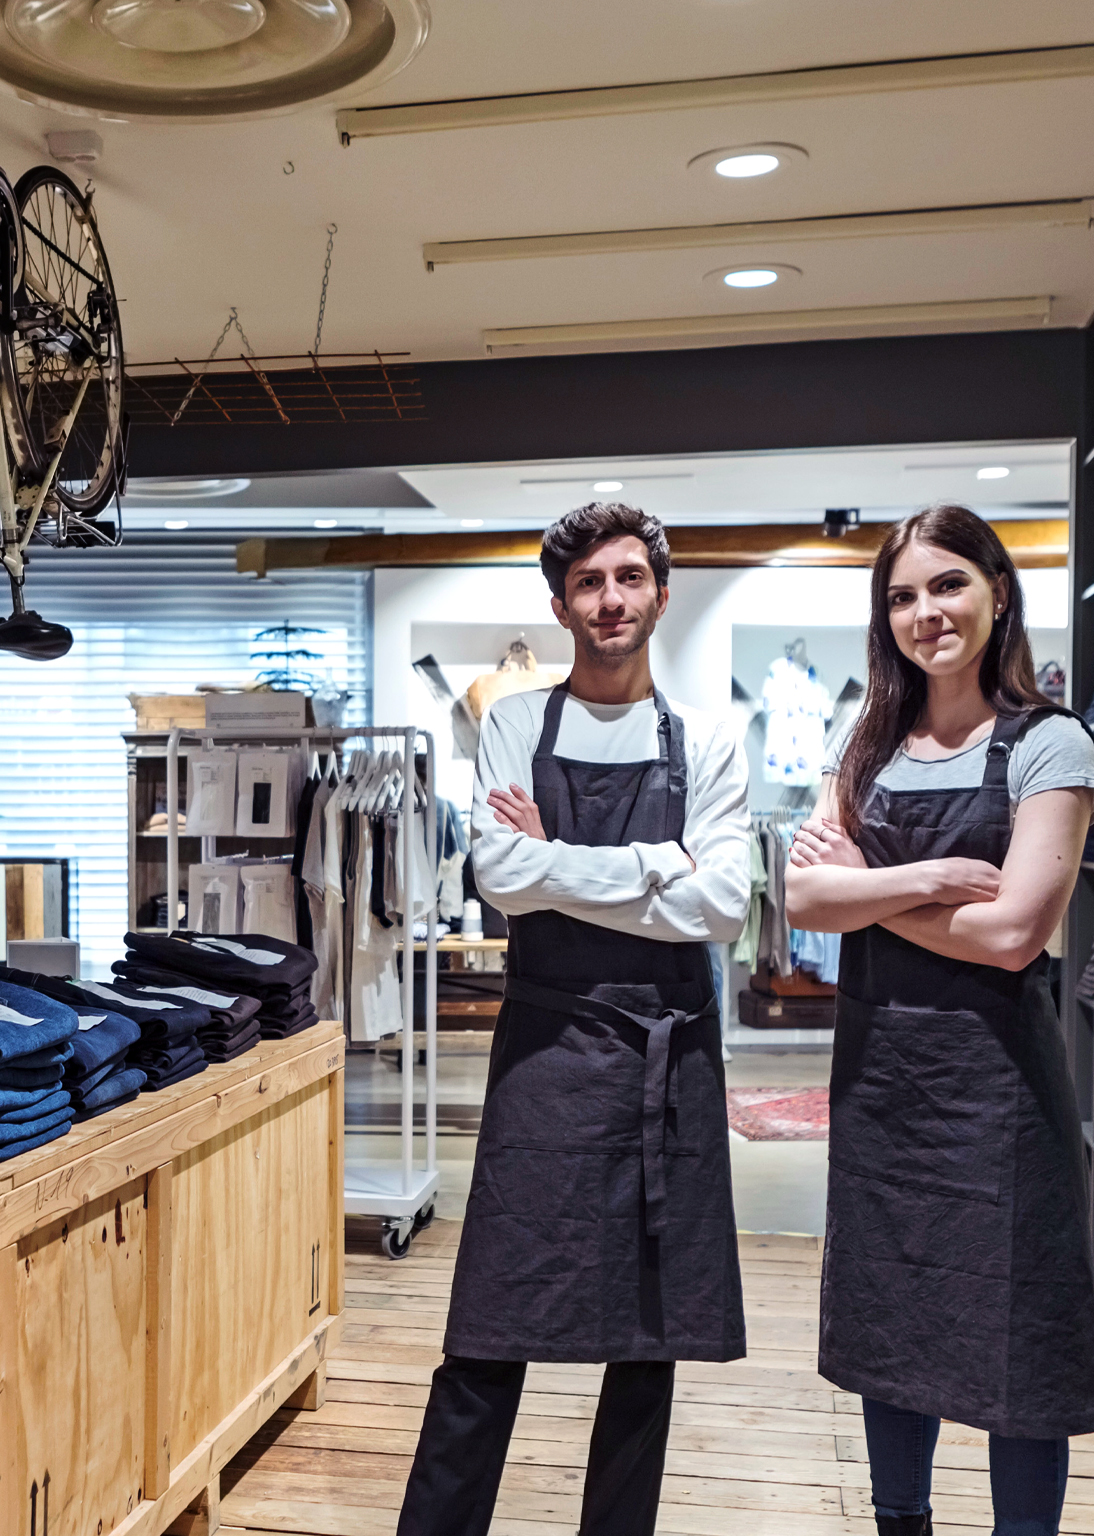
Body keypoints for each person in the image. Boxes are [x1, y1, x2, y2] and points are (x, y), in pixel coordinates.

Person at [397, 502, 750, 1536]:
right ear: (561, 605)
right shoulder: (513, 721)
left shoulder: (711, 738)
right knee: (488, 1328)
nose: (612, 599)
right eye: (590, 584)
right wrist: (656, 865)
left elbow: (721, 907)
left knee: (646, 1343)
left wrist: (561, 866)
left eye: (630, 578)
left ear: (660, 593)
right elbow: (501, 877)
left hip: (668, 1059)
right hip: (544, 1055)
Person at [785, 504, 1094, 1536]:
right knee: (895, 1322)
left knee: (1019, 1335)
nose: (925, 612)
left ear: (998, 593)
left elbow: (1017, 931)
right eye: (901, 596)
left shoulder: (1049, 743)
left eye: (947, 585)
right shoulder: (871, 745)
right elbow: (803, 904)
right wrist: (928, 877)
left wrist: (872, 889)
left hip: (997, 1097)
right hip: (884, 1085)